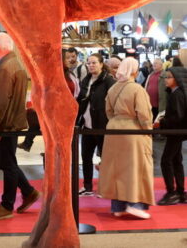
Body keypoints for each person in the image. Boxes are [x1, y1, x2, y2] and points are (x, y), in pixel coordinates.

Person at [0, 32, 40, 220]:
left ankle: (7, 205)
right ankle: (28, 191)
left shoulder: (6, 68)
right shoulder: (13, 65)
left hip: (6, 126)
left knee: (7, 164)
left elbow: (0, 102)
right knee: (5, 161)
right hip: (10, 124)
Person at [98, 57, 154, 219]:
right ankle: (134, 204)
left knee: (116, 170)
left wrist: (117, 121)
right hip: (133, 132)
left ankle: (118, 207)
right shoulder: (137, 89)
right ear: (134, 70)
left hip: (113, 131)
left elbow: (108, 111)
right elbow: (144, 115)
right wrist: (147, 131)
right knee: (135, 168)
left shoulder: (113, 88)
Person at [77, 53, 115, 196]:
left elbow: (113, 101)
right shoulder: (86, 80)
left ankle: (106, 187)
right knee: (86, 156)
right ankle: (87, 186)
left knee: (105, 157)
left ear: (101, 64)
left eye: (94, 63)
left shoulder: (108, 80)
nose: (91, 65)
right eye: (89, 63)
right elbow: (81, 100)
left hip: (102, 125)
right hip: (87, 125)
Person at [156, 67, 187, 205]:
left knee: (166, 160)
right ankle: (180, 191)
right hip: (176, 133)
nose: (165, 80)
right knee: (176, 160)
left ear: (177, 79)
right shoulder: (176, 93)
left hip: (176, 132)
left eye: (169, 77)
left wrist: (162, 122)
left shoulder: (177, 94)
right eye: (165, 77)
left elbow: (178, 117)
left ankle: (172, 192)